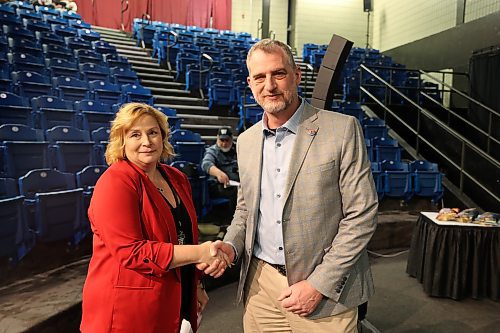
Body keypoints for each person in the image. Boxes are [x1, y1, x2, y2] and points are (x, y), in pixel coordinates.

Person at [210, 39, 378, 332]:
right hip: (261, 287)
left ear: (297, 75)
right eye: (260, 77)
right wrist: (231, 246)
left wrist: (319, 284)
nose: (270, 85)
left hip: (323, 294)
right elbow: (246, 209)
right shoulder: (247, 141)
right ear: (250, 83)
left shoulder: (341, 129)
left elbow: (361, 215)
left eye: (278, 74)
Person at [80, 103, 228, 333]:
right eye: (135, 135)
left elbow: (184, 235)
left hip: (172, 301)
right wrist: (201, 252)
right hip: (126, 313)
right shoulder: (115, 183)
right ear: (122, 140)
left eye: (153, 132)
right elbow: (133, 252)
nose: (147, 142)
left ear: (163, 136)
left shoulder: (176, 177)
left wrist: (195, 283)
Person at [201, 127, 239, 214]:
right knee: (236, 193)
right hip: (219, 185)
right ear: (217, 139)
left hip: (237, 183)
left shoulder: (237, 149)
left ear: (231, 139)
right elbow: (206, 164)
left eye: (227, 140)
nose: (224, 143)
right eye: (222, 140)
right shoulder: (212, 150)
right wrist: (218, 173)